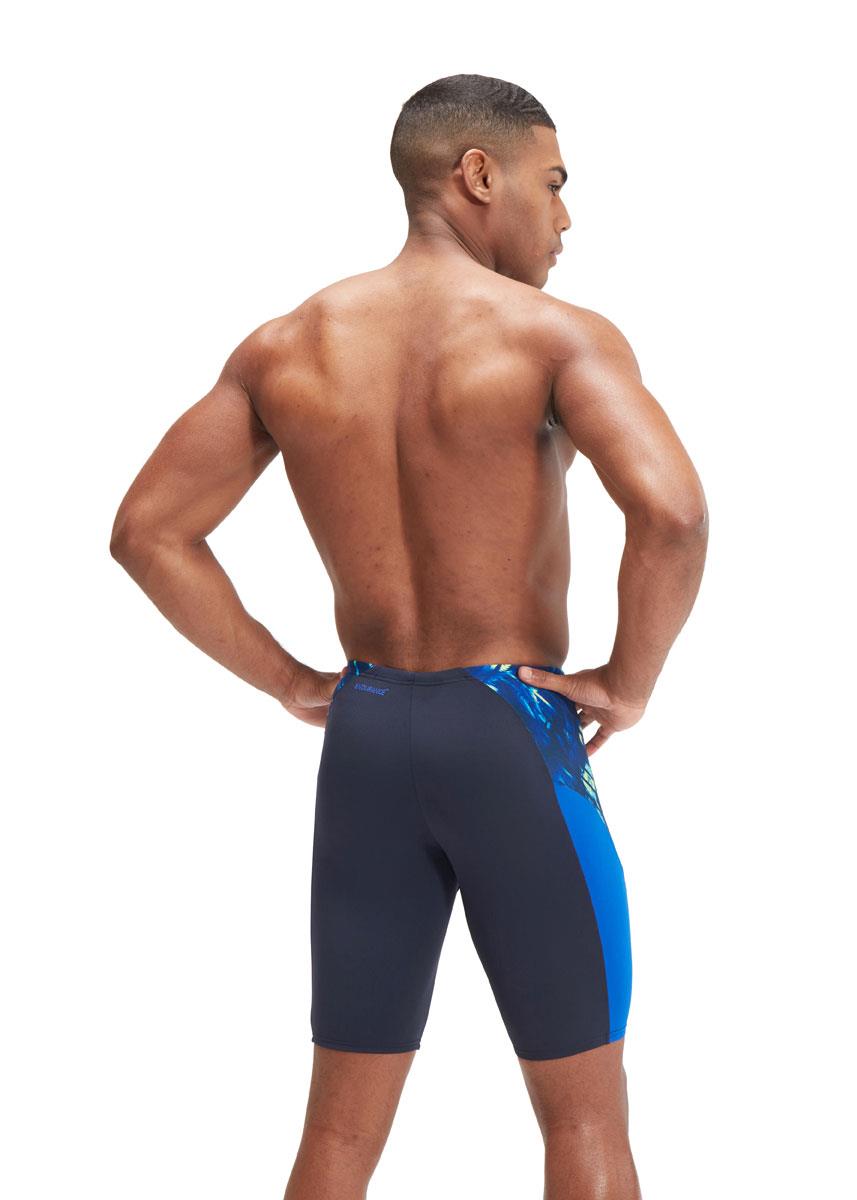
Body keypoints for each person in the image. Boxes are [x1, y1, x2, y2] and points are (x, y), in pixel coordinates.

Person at [110, 73, 707, 1200]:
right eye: (552, 183)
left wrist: (292, 683)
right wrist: (627, 685)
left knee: (338, 1135)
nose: (566, 217)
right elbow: (672, 514)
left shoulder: (288, 345)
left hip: (367, 737)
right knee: (584, 1117)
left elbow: (148, 533)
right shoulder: (551, 336)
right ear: (477, 176)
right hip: (511, 734)